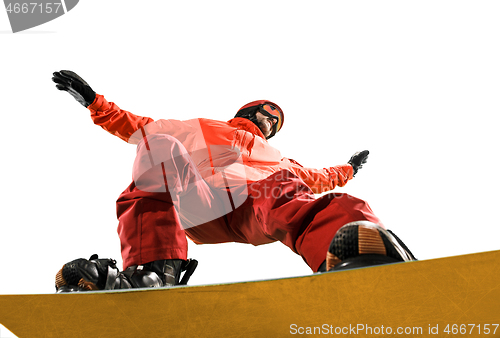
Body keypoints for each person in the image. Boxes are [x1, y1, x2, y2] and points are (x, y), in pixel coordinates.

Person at [52, 70, 416, 292]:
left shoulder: (279, 160)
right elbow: (139, 127)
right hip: (200, 202)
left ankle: (353, 253)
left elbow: (322, 179)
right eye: (263, 114)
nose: (268, 122)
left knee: (285, 183)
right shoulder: (201, 128)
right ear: (245, 112)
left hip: (256, 209)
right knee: (160, 145)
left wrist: (349, 168)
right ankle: (153, 270)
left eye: (274, 122)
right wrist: (94, 102)